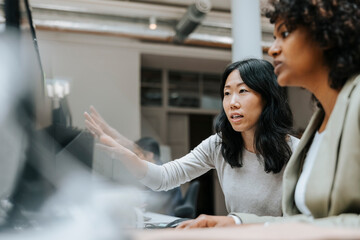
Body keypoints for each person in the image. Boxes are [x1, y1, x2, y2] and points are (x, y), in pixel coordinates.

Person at [181, 0, 360, 229]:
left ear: (326, 37)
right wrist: (235, 221)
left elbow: (315, 225)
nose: (273, 49)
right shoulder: (320, 121)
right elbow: (308, 220)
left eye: (284, 34)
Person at [85, 58, 299, 225]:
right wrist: (125, 154)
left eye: (242, 91)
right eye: (227, 93)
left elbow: (305, 222)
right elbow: (164, 178)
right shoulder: (220, 145)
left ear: (267, 97)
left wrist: (235, 222)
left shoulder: (298, 152)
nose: (232, 102)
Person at [135, 137, 182, 216]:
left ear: (150, 155)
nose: (135, 158)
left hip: (166, 218)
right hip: (159, 216)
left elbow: (154, 203)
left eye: (137, 154)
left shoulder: (161, 174)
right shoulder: (152, 172)